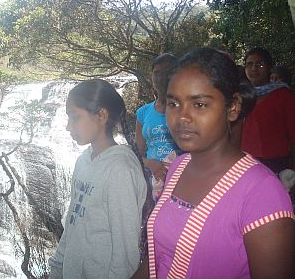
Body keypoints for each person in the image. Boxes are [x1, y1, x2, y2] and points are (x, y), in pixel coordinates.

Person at [132, 48, 295, 279]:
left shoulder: (262, 193)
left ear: (233, 107)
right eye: (173, 104)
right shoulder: (178, 167)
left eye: (199, 104)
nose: (182, 117)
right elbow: (158, 259)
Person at [48, 79, 147, 279]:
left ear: (101, 115)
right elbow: (72, 223)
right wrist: (57, 267)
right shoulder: (83, 161)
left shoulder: (121, 170)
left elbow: (125, 250)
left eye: (75, 117)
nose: (68, 127)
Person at [241, 47, 295, 173]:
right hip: (244, 162)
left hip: (276, 162)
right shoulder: (239, 95)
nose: (254, 69)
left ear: (269, 67)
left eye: (259, 64)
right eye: (249, 64)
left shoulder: (283, 95)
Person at [135, 54, 180, 202]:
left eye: (167, 72)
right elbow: (137, 153)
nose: (161, 77)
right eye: (157, 73)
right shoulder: (143, 113)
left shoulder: (184, 109)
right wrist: (151, 164)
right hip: (152, 179)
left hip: (181, 177)